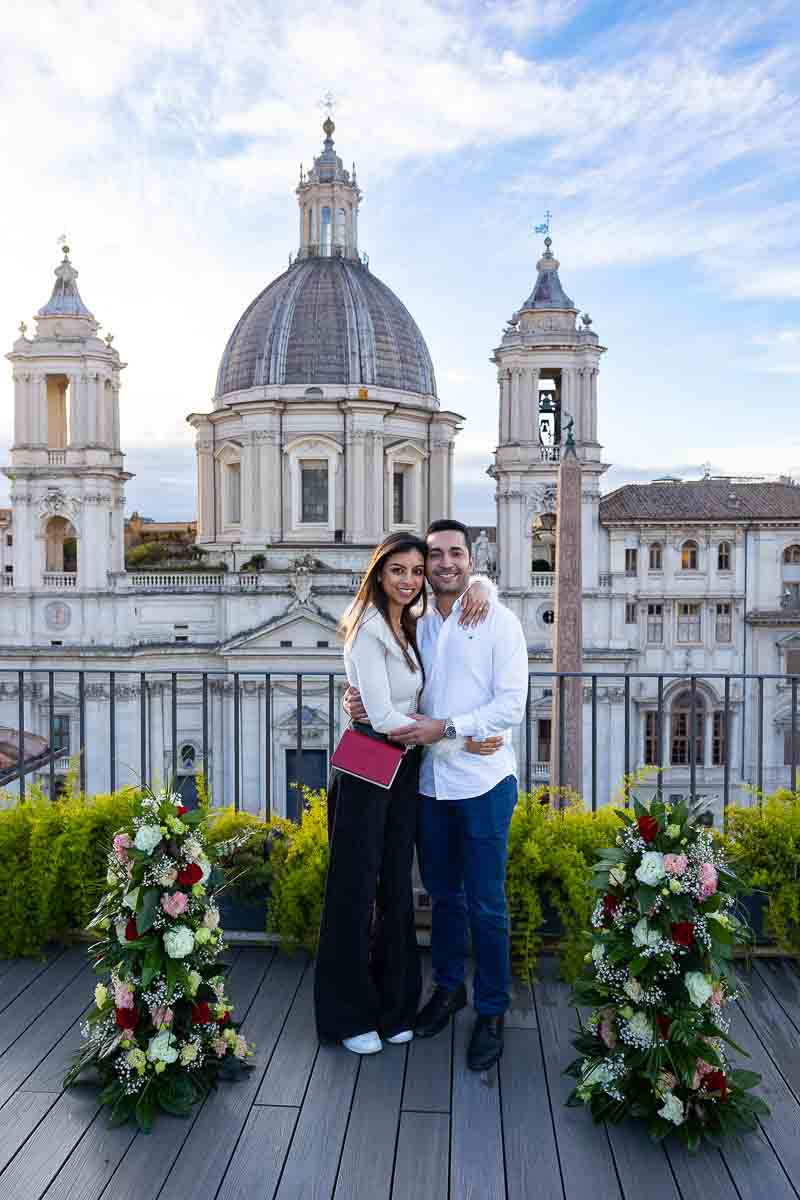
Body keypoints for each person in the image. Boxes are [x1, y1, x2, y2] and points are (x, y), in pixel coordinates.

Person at [344, 519, 528, 1071]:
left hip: (484, 782)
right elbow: (382, 684)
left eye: (456, 555)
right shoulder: (412, 624)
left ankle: (492, 1010)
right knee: (444, 898)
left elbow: (511, 706)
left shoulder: (498, 620)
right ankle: (450, 991)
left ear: (472, 560)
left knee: (489, 904)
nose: (445, 564)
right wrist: (355, 704)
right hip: (427, 784)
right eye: (435, 556)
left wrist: (448, 729)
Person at [315, 531, 498, 1056]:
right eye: (399, 570)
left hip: (403, 762)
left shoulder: (408, 625)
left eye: (417, 571)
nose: (410, 579)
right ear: (379, 573)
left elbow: (395, 702)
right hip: (368, 758)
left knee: (396, 884)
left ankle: (395, 1005)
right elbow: (381, 712)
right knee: (354, 891)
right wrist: (444, 728)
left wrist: (482, 583)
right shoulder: (368, 629)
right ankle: (348, 1016)